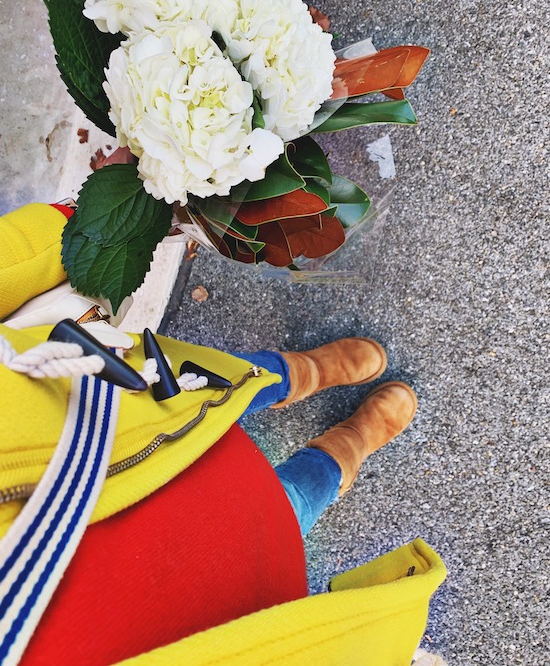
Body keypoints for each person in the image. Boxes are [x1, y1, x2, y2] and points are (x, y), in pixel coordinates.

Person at [0, 202, 446, 666]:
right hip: (218, 609)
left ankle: (299, 374)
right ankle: (348, 446)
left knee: (213, 385)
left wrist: (82, 219)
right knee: (279, 512)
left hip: (87, 410)